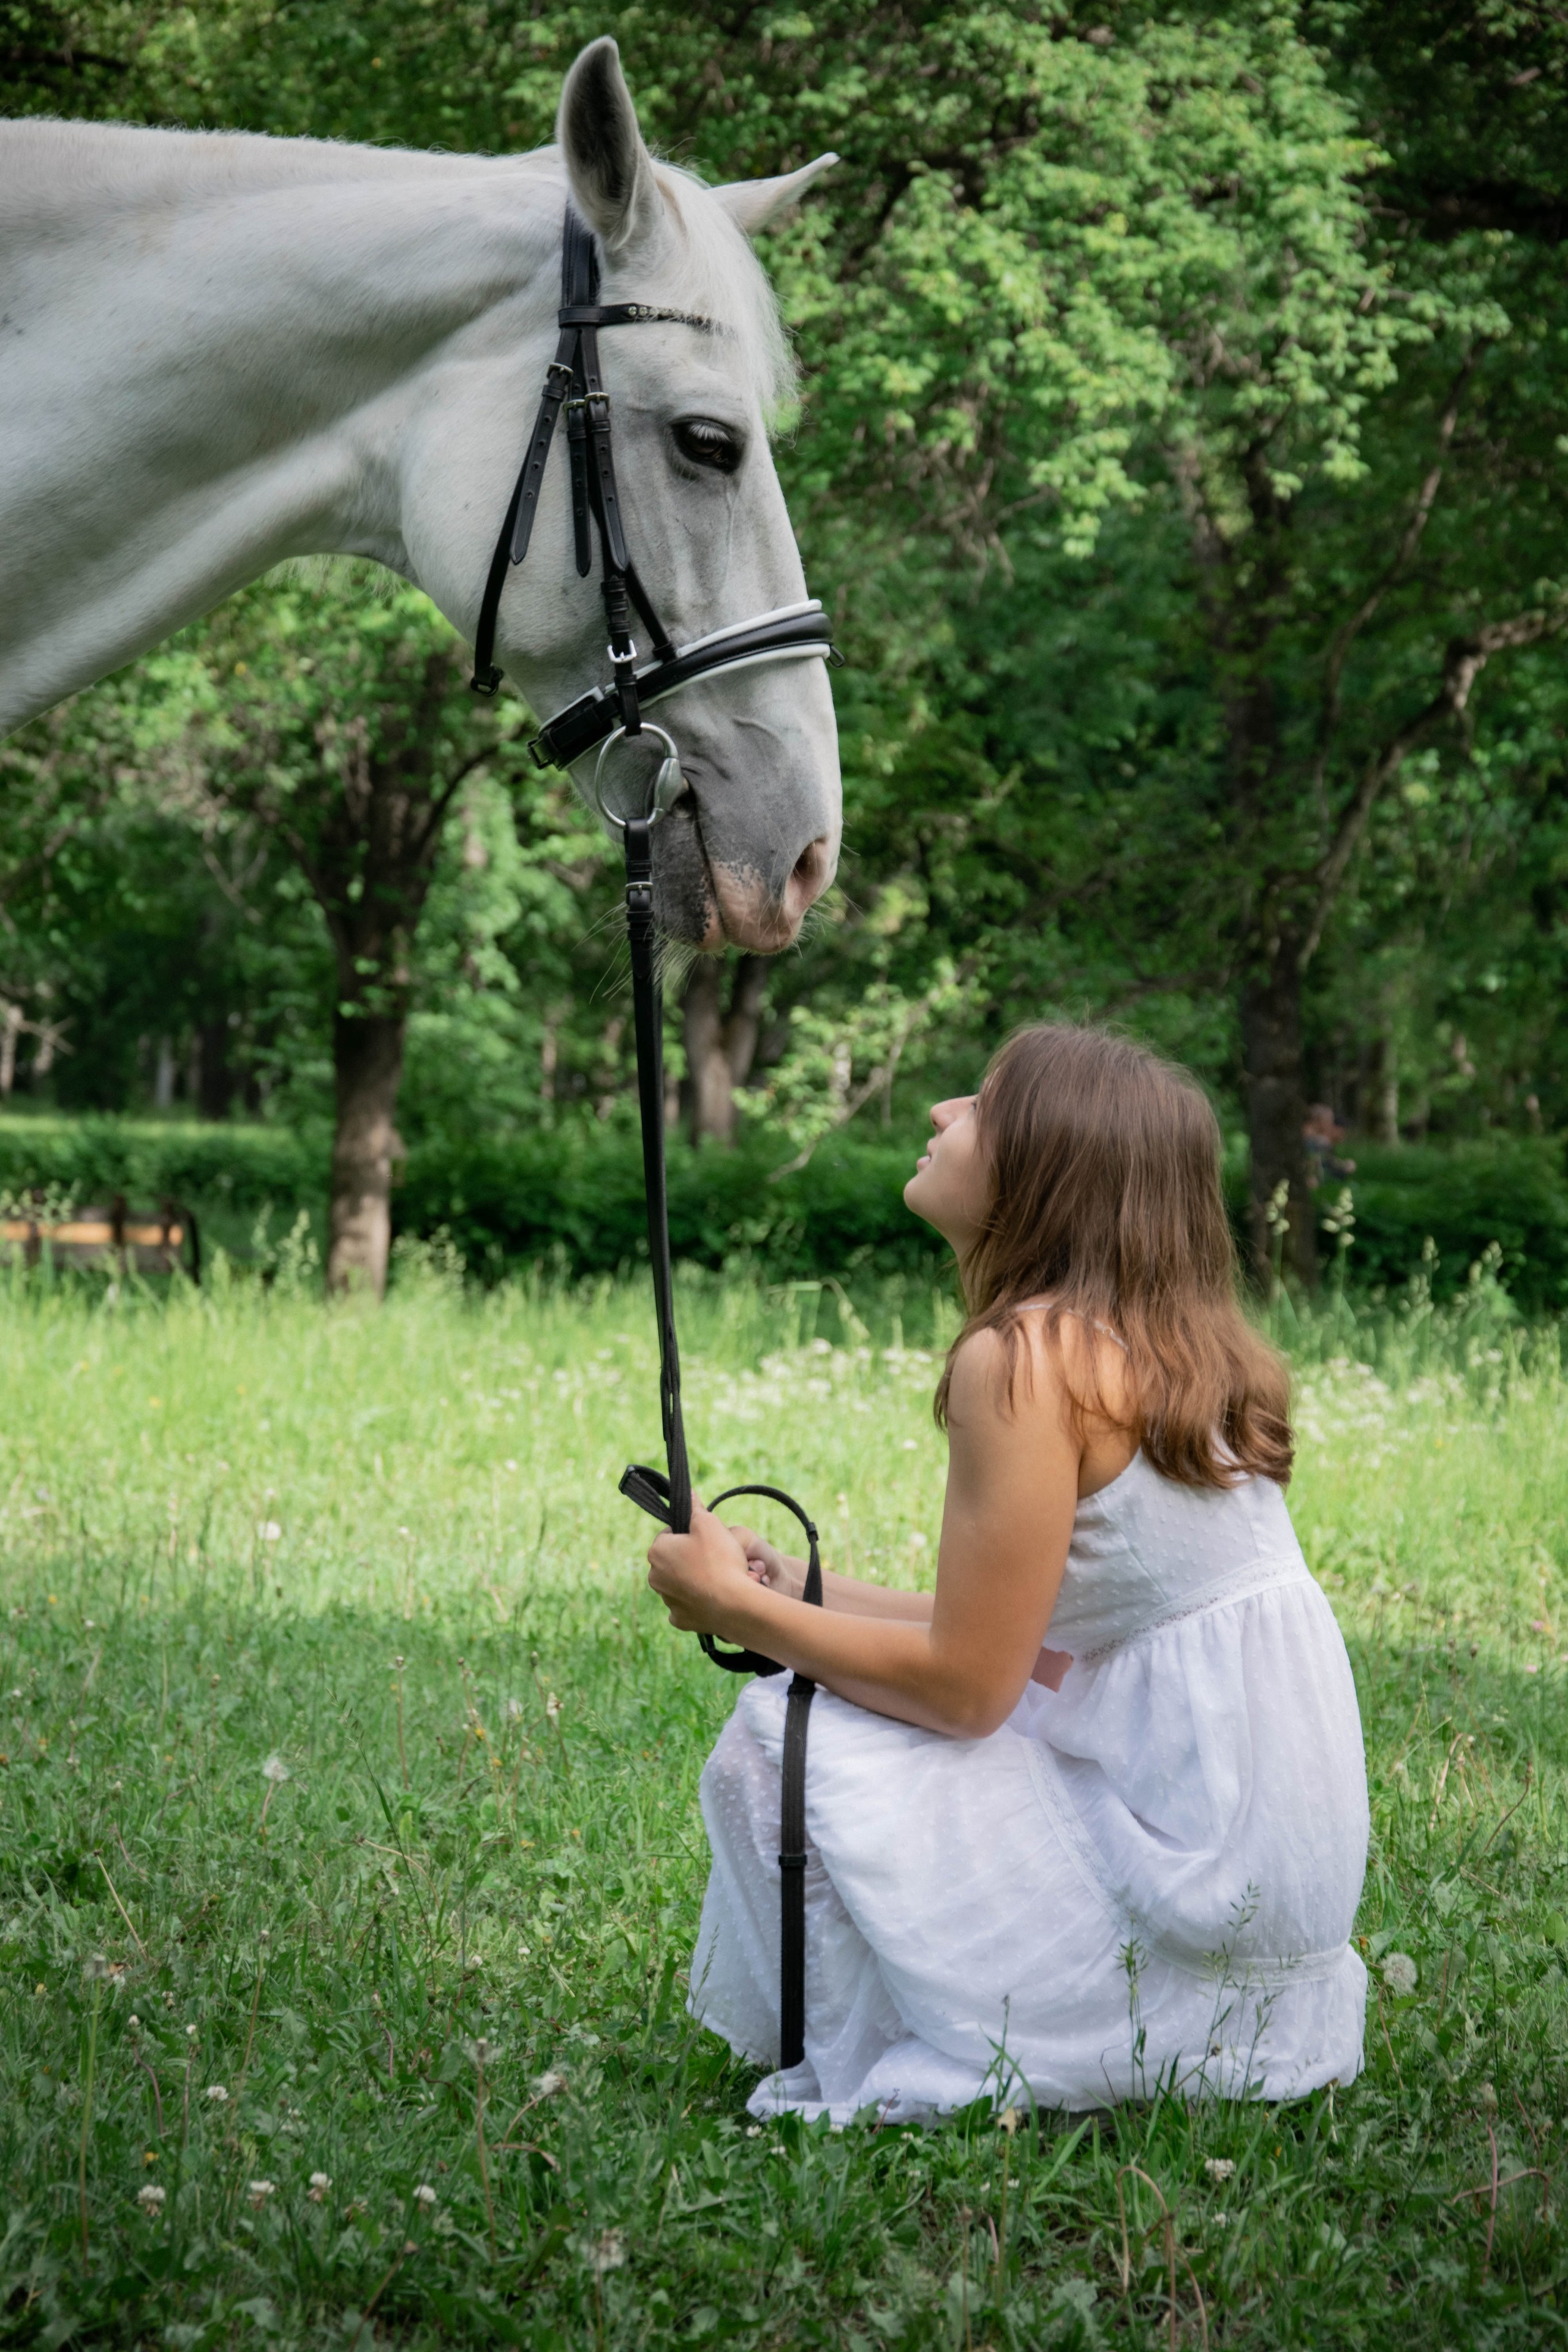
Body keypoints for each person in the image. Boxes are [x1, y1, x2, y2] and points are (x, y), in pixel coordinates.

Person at [646, 1024, 1369, 2123]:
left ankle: (895, 2040)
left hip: (1181, 1901)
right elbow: (1016, 1630)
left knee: (773, 1743)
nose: (941, 1114)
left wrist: (734, 1608)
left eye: (980, 1104)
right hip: (1264, 1914)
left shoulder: (1023, 1358)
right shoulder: (1169, 1351)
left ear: (1047, 1168)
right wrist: (793, 1585)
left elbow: (970, 1689)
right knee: (838, 1707)